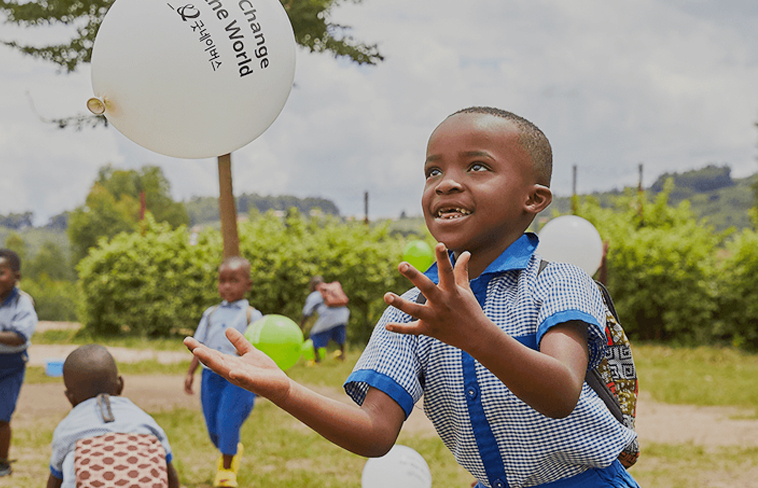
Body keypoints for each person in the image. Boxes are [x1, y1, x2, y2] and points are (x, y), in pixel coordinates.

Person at [185, 107, 640, 487]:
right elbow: (375, 433)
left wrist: (473, 333)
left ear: (534, 198)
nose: (445, 182)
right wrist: (286, 390)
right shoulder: (410, 308)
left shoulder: (557, 281)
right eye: (433, 171)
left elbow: (561, 391)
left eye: (477, 166)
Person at [46, 344, 179, 488]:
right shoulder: (143, 420)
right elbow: (170, 474)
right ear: (120, 385)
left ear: (70, 398)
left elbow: (55, 480)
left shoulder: (68, 428)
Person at [185, 256, 263, 487]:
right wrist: (190, 372)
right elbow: (198, 343)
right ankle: (230, 449)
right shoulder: (210, 313)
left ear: (247, 285)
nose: (226, 286)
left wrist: (259, 381)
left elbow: (260, 350)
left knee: (227, 420)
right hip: (210, 375)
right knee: (213, 427)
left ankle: (227, 472)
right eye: (222, 281)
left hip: (238, 377)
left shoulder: (252, 315)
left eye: (233, 280)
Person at [0, 249, 37, 478]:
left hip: (10, 366)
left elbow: (20, 336)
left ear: (17, 276)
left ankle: (2, 462)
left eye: (1, 272)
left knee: (2, 416)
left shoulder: (23, 303)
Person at [299, 275, 349, 364]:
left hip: (329, 317)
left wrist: (301, 327)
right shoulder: (332, 290)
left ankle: (317, 360)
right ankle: (342, 356)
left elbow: (306, 313)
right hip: (343, 315)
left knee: (314, 335)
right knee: (340, 337)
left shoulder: (315, 295)